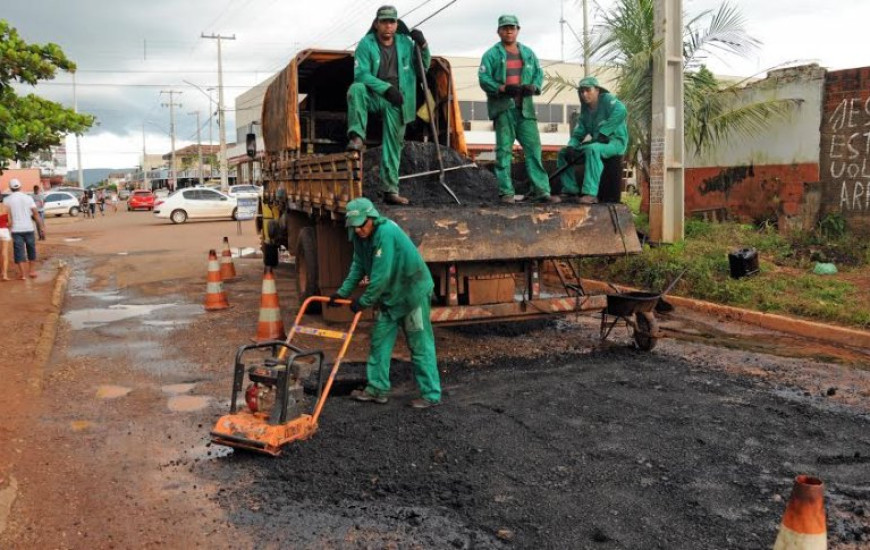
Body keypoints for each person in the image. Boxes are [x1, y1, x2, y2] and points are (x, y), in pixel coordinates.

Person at [329, 197, 441, 409]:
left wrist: (362, 302)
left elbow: (380, 277)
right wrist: (341, 293)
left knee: (419, 345)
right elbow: (358, 266)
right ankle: (377, 388)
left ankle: (431, 394)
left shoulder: (385, 233)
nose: (359, 230)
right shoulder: (360, 238)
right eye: (355, 226)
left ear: (372, 217)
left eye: (362, 224)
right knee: (379, 342)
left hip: (411, 292)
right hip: (389, 296)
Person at [346, 5, 429, 206]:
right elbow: (361, 74)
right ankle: (357, 136)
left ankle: (390, 191)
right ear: (376, 24)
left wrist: (424, 46)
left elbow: (422, 68)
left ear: (396, 24)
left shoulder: (405, 44)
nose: (388, 26)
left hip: (398, 100)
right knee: (356, 89)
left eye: (392, 22)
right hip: (375, 95)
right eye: (384, 22)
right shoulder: (366, 44)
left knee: (393, 146)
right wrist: (386, 89)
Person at [478, 15, 559, 205]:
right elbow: (483, 79)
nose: (508, 31)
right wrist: (502, 88)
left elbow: (539, 73)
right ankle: (506, 193)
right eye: (505, 28)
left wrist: (535, 87)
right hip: (504, 109)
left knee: (534, 149)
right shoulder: (491, 55)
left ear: (518, 30)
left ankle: (541, 191)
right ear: (498, 31)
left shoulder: (528, 53)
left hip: (526, 110)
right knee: (504, 151)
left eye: (512, 28)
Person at [555, 76, 628, 204]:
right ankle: (570, 190)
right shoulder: (585, 111)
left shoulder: (607, 100)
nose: (584, 94)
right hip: (597, 143)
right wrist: (572, 146)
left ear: (597, 90)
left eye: (588, 90)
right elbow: (579, 133)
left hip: (615, 143)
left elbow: (621, 110)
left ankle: (590, 194)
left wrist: (604, 132)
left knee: (592, 149)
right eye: (582, 91)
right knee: (563, 153)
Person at [5, 179, 44, 280]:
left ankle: (23, 274)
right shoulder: (28, 198)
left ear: (10, 188)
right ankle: (32, 271)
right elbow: (35, 214)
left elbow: (6, 217)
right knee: (31, 249)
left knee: (19, 251)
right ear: (20, 187)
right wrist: (41, 227)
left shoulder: (7, 200)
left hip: (15, 230)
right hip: (29, 228)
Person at [0, 194, 11, 281]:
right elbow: (10, 222)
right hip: (4, 230)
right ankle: (4, 275)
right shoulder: (6, 207)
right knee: (4, 253)